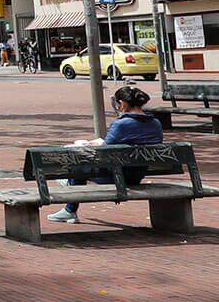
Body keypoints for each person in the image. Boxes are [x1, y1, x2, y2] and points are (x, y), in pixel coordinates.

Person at [49, 85, 164, 224]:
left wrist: (83, 146)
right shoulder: (156, 123)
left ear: (122, 103)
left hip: (116, 176)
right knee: (79, 169)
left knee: (77, 166)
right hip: (137, 175)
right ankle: (70, 192)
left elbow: (103, 153)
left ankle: (70, 207)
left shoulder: (121, 124)